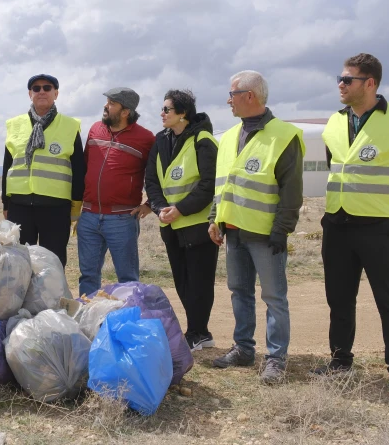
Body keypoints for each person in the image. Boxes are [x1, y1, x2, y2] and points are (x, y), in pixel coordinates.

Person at [313, 53, 389, 397]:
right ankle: (340, 361)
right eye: (339, 78)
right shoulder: (335, 121)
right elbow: (338, 166)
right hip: (338, 224)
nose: (340, 84)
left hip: (381, 228)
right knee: (339, 299)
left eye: (347, 79)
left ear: (369, 83)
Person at [208, 71, 304, 384]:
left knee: (274, 297)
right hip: (233, 231)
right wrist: (215, 219)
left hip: (265, 235)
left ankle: (276, 359)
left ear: (249, 96)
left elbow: (291, 190)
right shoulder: (228, 137)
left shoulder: (284, 136)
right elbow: (223, 184)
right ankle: (244, 349)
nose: (228, 101)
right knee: (240, 293)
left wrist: (281, 230)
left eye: (232, 94)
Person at [145, 89, 218, 352]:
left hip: (197, 226)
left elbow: (209, 184)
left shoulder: (203, 140)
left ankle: (199, 332)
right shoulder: (160, 140)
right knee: (182, 281)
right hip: (171, 225)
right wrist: (160, 208)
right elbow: (152, 181)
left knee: (200, 282)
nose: (162, 114)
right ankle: (197, 331)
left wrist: (181, 209)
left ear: (183, 113)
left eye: (167, 109)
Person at [77, 87, 155, 296]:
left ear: (125, 112)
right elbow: (85, 166)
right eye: (107, 102)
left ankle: (128, 315)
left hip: (122, 219)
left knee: (127, 278)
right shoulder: (95, 129)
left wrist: (150, 204)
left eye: (112, 103)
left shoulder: (146, 138)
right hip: (89, 216)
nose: (106, 106)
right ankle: (88, 314)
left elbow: (157, 174)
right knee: (88, 276)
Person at [2, 74, 84, 267]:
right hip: (20, 205)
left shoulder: (70, 126)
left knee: (53, 262)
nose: (41, 92)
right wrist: (6, 204)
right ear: (30, 94)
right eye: (36, 88)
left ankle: (53, 289)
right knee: (19, 262)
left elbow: (78, 169)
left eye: (47, 88)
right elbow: (7, 166)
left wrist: (75, 207)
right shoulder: (14, 125)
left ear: (56, 94)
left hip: (56, 207)